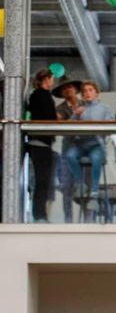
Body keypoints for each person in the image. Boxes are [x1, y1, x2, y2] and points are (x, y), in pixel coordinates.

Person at [63, 81, 114, 222]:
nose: (87, 93)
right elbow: (67, 128)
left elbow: (110, 127)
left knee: (96, 158)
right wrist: (76, 116)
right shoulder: (79, 108)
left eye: (90, 90)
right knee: (70, 155)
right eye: (85, 91)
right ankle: (80, 183)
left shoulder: (105, 108)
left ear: (96, 93)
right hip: (80, 143)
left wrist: (99, 127)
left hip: (96, 144)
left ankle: (94, 191)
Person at [26, 69, 58, 222]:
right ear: (47, 79)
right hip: (41, 143)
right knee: (42, 181)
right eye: (52, 79)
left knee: (42, 181)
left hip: (38, 142)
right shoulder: (43, 96)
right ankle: (39, 215)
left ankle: (39, 214)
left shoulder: (36, 96)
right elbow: (49, 118)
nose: (53, 82)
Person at [54, 77, 83, 222]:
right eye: (64, 89)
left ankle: (87, 220)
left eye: (70, 87)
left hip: (84, 149)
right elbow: (59, 124)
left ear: (76, 89)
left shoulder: (86, 104)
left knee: (85, 186)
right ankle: (68, 220)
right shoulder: (59, 109)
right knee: (67, 186)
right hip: (68, 148)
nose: (67, 90)